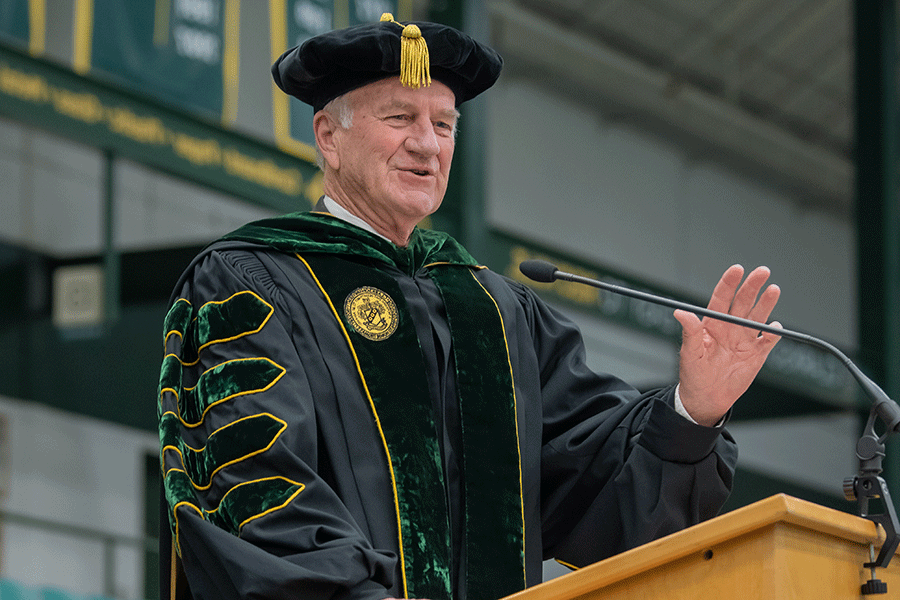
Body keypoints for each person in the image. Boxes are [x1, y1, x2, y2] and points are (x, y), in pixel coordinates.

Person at [157, 14, 781, 600]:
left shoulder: (494, 310)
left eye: (445, 124)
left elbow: (594, 488)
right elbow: (257, 485)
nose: (427, 145)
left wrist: (695, 409)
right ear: (329, 136)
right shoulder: (254, 283)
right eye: (400, 117)